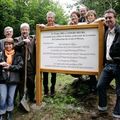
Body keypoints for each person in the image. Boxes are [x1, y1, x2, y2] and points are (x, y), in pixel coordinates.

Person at [96, 9, 120, 119]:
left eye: (110, 17)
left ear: (115, 18)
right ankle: (102, 109)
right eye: (106, 18)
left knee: (119, 91)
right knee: (100, 86)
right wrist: (100, 19)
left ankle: (117, 114)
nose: (108, 19)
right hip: (108, 65)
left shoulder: (119, 31)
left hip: (118, 65)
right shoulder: (106, 31)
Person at [0, 38, 23, 120]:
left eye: (10, 44)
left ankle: (9, 111)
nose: (8, 45)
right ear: (4, 45)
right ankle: (2, 112)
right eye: (6, 44)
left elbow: (20, 66)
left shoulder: (18, 54)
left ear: (13, 45)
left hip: (13, 79)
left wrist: (10, 66)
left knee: (10, 97)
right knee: (3, 97)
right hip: (2, 79)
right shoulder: (1, 54)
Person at [14, 23, 36, 103]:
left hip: (30, 64)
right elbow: (14, 47)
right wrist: (23, 42)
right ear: (20, 31)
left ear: (29, 30)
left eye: (26, 29)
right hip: (21, 65)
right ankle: (22, 99)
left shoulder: (33, 38)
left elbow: (42, 34)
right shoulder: (17, 39)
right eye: (23, 29)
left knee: (31, 82)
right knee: (21, 83)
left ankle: (31, 97)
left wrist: (43, 26)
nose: (24, 31)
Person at [40, 11, 57, 97]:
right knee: (45, 74)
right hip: (45, 55)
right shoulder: (42, 27)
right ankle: (46, 91)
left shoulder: (58, 27)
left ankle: (53, 89)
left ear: (54, 18)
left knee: (54, 74)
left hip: (55, 54)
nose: (50, 19)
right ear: (46, 18)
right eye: (48, 17)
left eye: (51, 17)